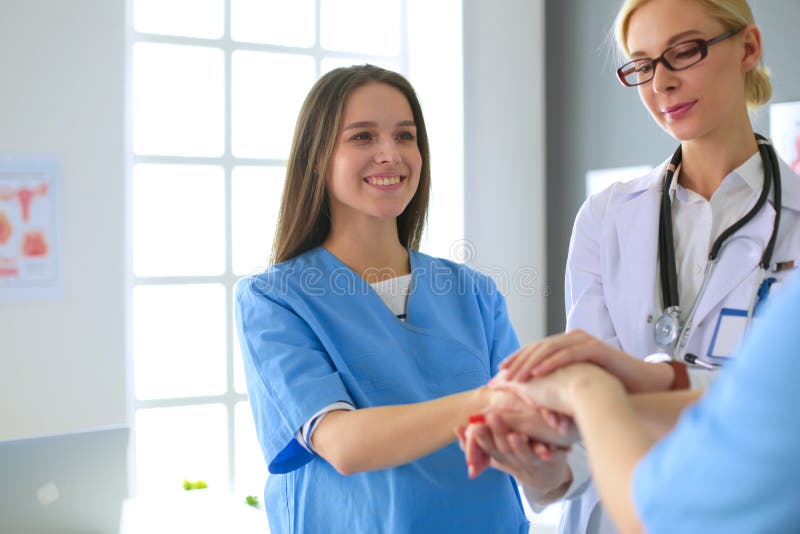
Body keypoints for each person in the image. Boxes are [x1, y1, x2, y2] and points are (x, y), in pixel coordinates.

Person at [466, 1, 800, 532]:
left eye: (684, 51)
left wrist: (638, 383)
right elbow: (582, 412)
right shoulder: (606, 216)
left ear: (748, 48)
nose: (661, 84)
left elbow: (778, 404)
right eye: (643, 65)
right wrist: (543, 468)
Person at [234, 65, 545, 533]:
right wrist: (492, 400)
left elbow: (529, 432)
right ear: (317, 157)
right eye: (362, 137)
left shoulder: (475, 293)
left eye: (405, 136)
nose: (390, 154)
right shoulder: (275, 300)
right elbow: (343, 445)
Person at [480, 271, 800, 533]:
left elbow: (651, 514)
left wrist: (587, 391)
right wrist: (661, 380)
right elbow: (754, 405)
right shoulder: (606, 214)